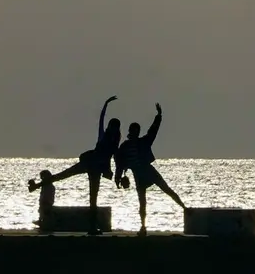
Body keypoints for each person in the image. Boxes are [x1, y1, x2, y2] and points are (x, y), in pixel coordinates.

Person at [28, 95, 120, 234]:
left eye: (114, 127)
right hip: (90, 162)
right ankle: (36, 186)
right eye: (113, 127)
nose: (112, 129)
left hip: (95, 168)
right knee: (64, 175)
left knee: (93, 197)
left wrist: (116, 172)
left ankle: (92, 227)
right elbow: (101, 119)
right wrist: (106, 104)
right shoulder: (105, 137)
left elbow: (113, 158)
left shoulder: (113, 142)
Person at [114, 102, 185, 235]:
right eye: (134, 130)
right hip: (138, 175)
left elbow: (153, 130)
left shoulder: (143, 142)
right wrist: (118, 178)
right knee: (142, 202)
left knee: (166, 189)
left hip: (148, 171)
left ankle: (184, 208)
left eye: (137, 131)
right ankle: (143, 227)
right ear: (130, 131)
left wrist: (159, 116)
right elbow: (120, 163)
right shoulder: (125, 146)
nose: (135, 133)